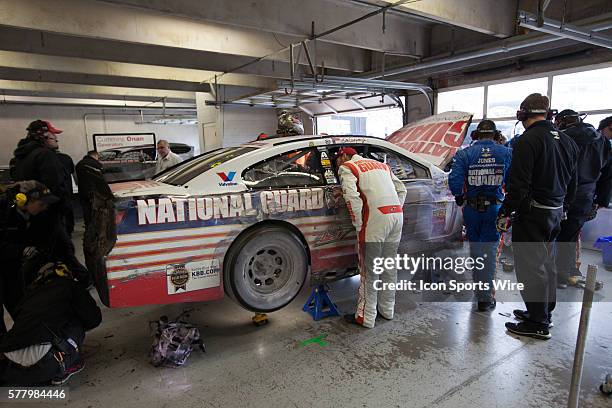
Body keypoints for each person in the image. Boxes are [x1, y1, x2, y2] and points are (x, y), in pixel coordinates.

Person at [499, 93, 578, 340]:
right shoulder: (567, 141)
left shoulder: (527, 141)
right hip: (555, 213)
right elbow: (573, 183)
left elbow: (518, 184)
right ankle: (544, 312)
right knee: (547, 263)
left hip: (533, 214)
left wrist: (505, 211)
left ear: (523, 114)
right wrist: (564, 207)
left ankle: (537, 322)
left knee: (530, 268)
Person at [336, 147, 407, 328]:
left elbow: (352, 197)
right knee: (389, 266)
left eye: (338, 158)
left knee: (369, 270)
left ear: (345, 156)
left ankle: (366, 318)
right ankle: (387, 310)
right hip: (396, 216)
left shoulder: (348, 167)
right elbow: (402, 190)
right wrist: (395, 209)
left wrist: (359, 224)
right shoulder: (382, 166)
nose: (337, 162)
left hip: (374, 220)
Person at [0, 261, 101, 386]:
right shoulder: (70, 286)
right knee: (77, 322)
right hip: (45, 365)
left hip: (9, 366)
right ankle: (70, 364)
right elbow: (94, 319)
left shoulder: (27, 298)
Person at [449, 120, 512, 311]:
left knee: (476, 250)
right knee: (490, 252)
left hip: (471, 210)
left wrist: (460, 197)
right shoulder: (507, 153)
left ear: (475, 136)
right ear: (495, 135)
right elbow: (512, 182)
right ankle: (485, 298)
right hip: (495, 209)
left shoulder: (464, 153)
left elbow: (455, 181)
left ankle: (480, 292)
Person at [554, 110, 612, 288]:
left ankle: (548, 273)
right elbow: (608, 175)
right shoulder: (602, 142)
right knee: (570, 235)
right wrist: (601, 201)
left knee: (547, 234)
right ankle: (565, 273)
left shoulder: (559, 139)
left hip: (559, 193)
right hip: (586, 195)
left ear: (562, 122)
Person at [0, 181, 59, 333]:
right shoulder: (3, 211)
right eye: (41, 204)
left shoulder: (38, 216)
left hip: (12, 265)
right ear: (24, 200)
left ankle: (27, 335)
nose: (45, 207)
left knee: (19, 302)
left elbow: (46, 241)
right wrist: (21, 250)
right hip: (7, 256)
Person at [75, 150, 113, 227]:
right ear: (95, 156)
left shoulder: (79, 164)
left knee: (86, 210)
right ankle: (96, 228)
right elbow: (102, 179)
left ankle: (88, 226)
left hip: (82, 191)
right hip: (94, 192)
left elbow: (76, 178)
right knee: (96, 211)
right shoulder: (96, 164)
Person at [57, 151, 75, 237]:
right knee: (68, 211)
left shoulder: (45, 158)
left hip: (55, 192)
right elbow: (73, 172)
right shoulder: (66, 157)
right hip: (67, 190)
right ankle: (69, 231)